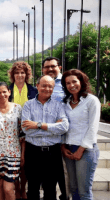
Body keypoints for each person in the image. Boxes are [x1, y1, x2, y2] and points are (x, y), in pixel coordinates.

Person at [21, 75, 69, 200]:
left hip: (52, 152)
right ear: (37, 86)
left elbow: (64, 127)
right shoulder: (28, 105)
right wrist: (53, 129)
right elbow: (26, 130)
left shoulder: (59, 106)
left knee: (50, 189)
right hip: (33, 151)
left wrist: (37, 125)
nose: (47, 88)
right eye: (44, 85)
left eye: (50, 86)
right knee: (32, 188)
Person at [60, 69, 100, 200]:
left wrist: (81, 150)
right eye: (68, 83)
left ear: (81, 82)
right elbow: (64, 127)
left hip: (86, 150)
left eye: (74, 82)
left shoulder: (91, 101)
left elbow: (93, 128)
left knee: (84, 192)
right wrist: (63, 147)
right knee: (73, 189)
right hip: (68, 148)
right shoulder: (65, 102)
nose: (71, 85)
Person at [8, 61, 38, 200]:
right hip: (10, 132)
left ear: (26, 75)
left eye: (22, 73)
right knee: (13, 162)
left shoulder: (34, 91)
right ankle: (17, 187)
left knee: (25, 163)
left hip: (29, 132)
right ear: (12, 75)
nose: (19, 75)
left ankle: (23, 188)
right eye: (17, 73)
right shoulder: (7, 90)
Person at [0, 82, 22, 200]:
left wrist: (23, 154)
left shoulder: (18, 108)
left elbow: (22, 132)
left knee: (8, 187)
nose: (2, 94)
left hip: (14, 151)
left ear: (9, 92)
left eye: (4, 92)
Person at [42, 57, 69, 200]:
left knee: (64, 174)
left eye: (53, 66)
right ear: (42, 69)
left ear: (60, 67)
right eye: (47, 67)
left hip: (64, 136)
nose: (50, 69)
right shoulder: (41, 84)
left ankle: (65, 196)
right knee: (49, 175)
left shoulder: (66, 83)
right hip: (46, 136)